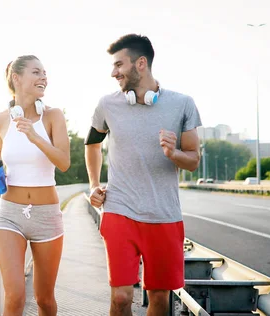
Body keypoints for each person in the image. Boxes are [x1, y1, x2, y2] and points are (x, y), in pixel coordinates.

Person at [84, 34, 202, 315]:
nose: (114, 72)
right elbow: (92, 143)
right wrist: (93, 185)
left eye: (118, 65)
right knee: (121, 298)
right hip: (119, 211)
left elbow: (194, 160)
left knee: (159, 298)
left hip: (163, 215)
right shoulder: (106, 105)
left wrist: (174, 154)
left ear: (140, 63)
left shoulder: (183, 104)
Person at [0, 55, 70, 316]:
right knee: (14, 296)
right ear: (17, 78)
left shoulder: (53, 116)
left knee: (45, 300)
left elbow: (64, 162)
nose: (43, 77)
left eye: (45, 73)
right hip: (9, 213)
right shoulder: (0, 121)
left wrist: (34, 136)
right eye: (36, 72)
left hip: (46, 216)